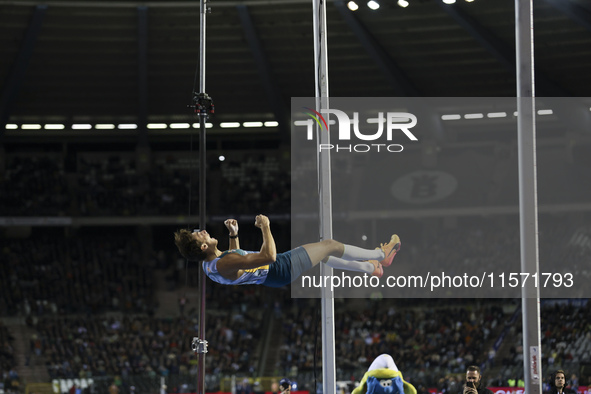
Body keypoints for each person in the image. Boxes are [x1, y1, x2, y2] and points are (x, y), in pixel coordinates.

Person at [174, 215, 400, 287]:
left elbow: (240, 262)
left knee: (325, 256)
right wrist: (266, 227)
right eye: (199, 234)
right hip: (279, 266)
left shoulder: (210, 264)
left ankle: (370, 269)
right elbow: (268, 256)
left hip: (275, 276)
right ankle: (382, 255)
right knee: (330, 245)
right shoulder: (221, 263)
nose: (203, 231)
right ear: (203, 247)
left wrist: (234, 234)